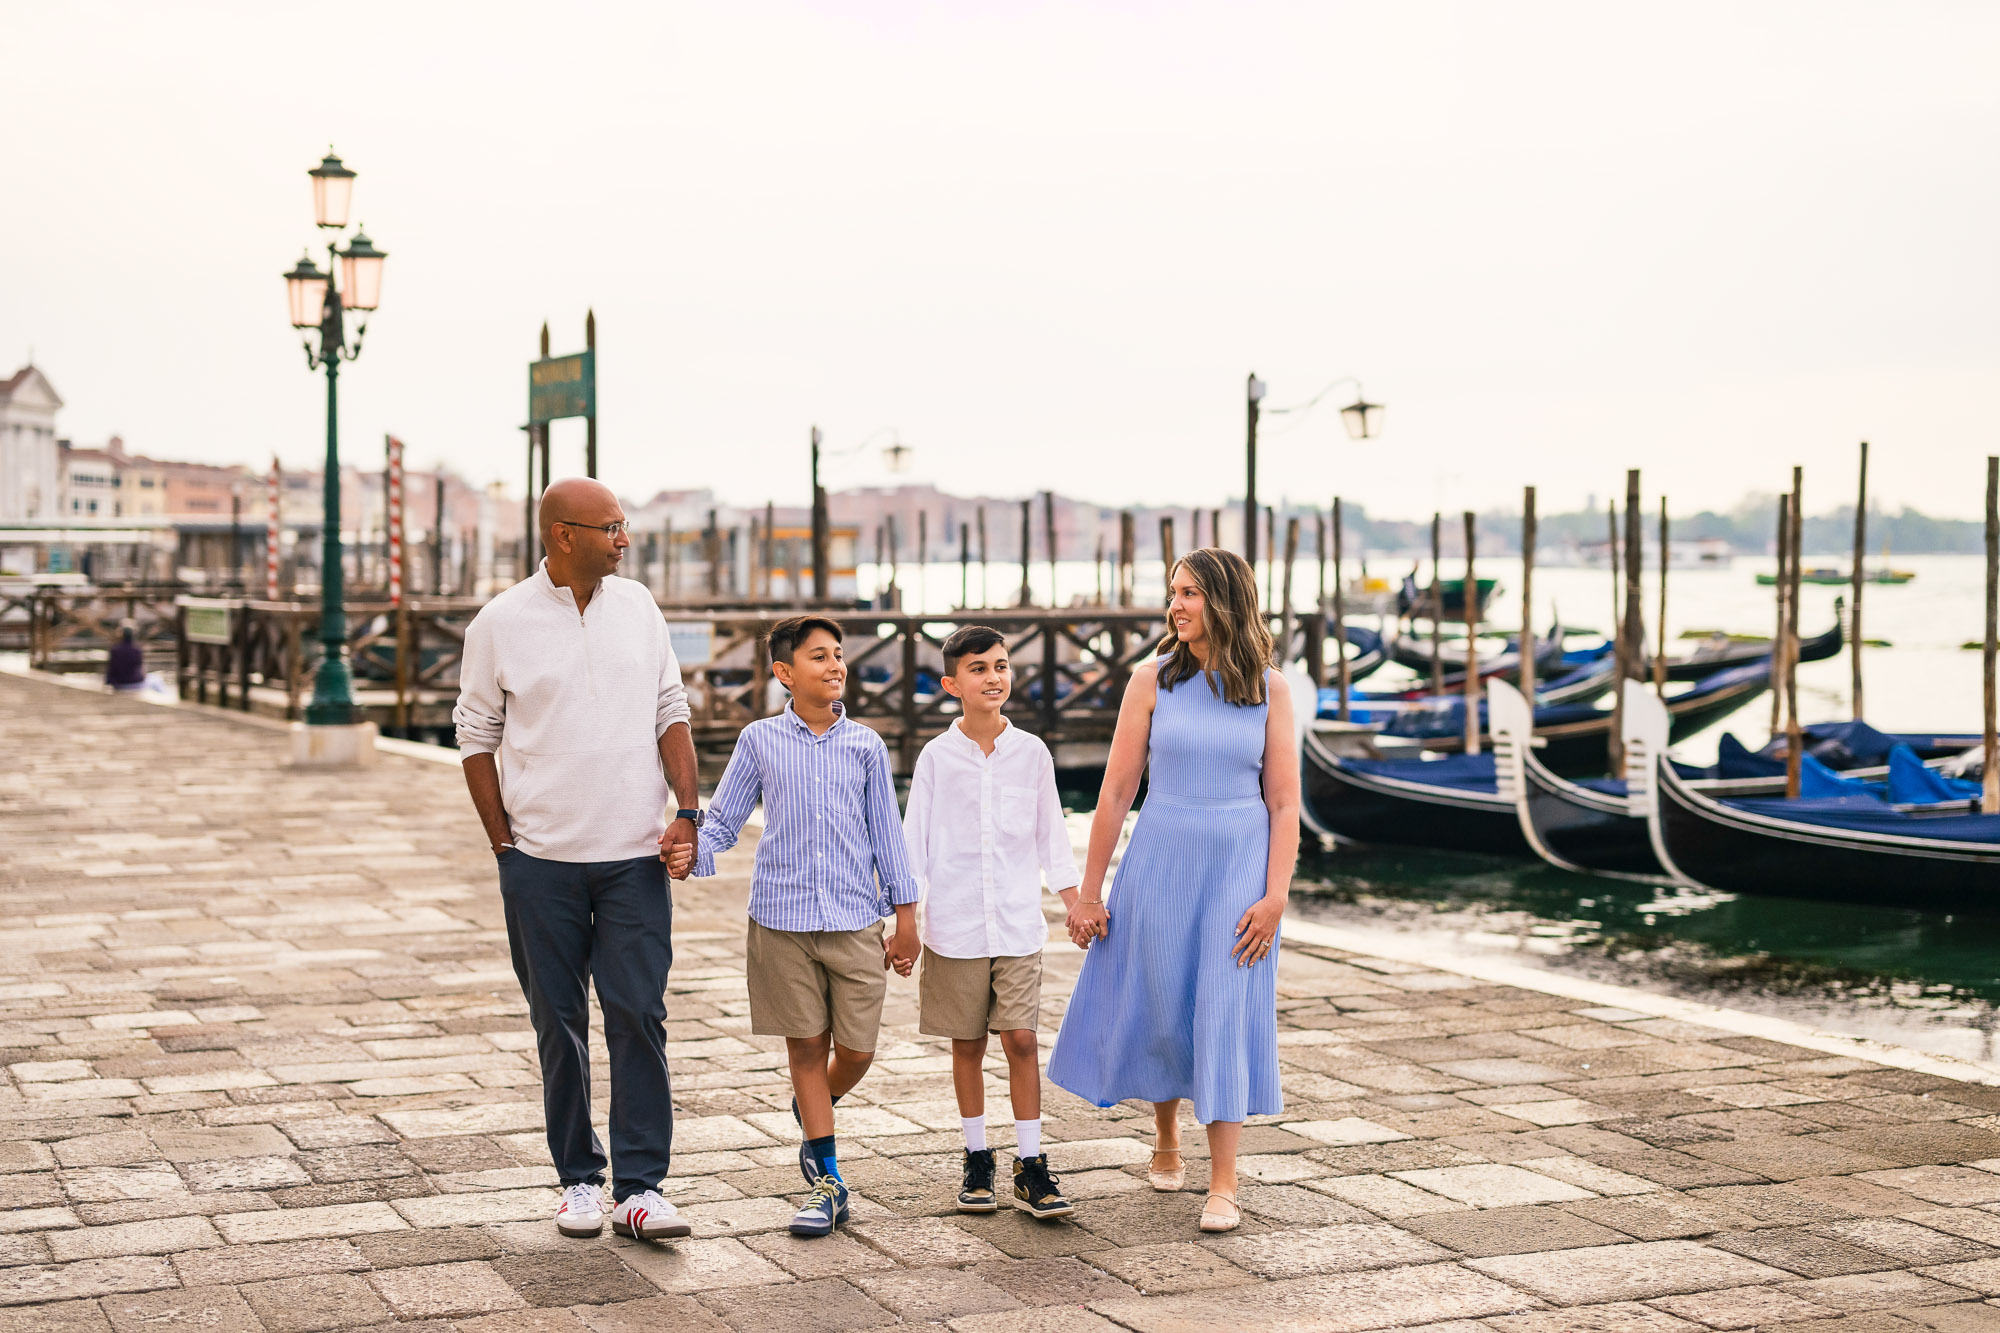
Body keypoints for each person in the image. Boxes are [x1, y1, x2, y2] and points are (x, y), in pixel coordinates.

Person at [453, 478, 703, 1244]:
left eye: (623, 525)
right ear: (564, 535)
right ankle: (579, 1180)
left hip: (634, 858)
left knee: (638, 1013)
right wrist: (503, 842)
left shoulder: (641, 608)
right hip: (541, 863)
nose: (624, 539)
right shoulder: (500, 623)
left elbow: (671, 710)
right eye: (611, 527)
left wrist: (688, 811)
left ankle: (642, 1187)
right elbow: (475, 733)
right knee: (557, 1022)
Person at [1045, 546, 1297, 1235]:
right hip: (1160, 857)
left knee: (1222, 1007)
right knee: (1162, 999)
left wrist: (1276, 896)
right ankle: (1165, 1134)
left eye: (1188, 593)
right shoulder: (1150, 678)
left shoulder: (1271, 689)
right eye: (1173, 592)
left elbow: (1283, 803)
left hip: (1238, 865)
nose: (1175, 605)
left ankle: (1224, 1183)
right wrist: (1089, 893)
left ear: (1224, 599)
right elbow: (1117, 791)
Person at [691, 614, 920, 1238]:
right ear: (785, 672)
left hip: (854, 919)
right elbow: (724, 821)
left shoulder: (866, 745)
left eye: (838, 654)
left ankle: (814, 1103)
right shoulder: (759, 740)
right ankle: (828, 1180)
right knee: (807, 1050)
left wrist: (906, 918)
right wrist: (688, 851)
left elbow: (887, 835)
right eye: (819, 656)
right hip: (781, 921)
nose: (835, 665)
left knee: (858, 1051)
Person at [903, 625, 1081, 1219]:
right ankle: (977, 1157)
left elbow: (1052, 836)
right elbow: (914, 844)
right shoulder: (936, 757)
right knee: (968, 1043)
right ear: (952, 684)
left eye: (1001, 665)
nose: (993, 677)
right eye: (978, 668)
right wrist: (903, 921)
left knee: (1022, 1040)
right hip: (953, 925)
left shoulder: (1032, 753)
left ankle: (1031, 1165)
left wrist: (1076, 901)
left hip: (1017, 924)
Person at [106, 622, 146, 692]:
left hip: (119, 683)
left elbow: (111, 668)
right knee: (156, 680)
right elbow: (140, 667)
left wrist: (108, 682)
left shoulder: (115, 650)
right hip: (135, 682)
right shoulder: (137, 650)